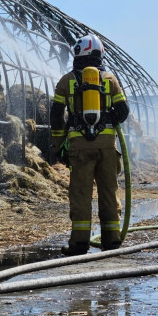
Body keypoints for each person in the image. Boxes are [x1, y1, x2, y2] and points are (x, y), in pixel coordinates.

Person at [50, 34, 130, 256]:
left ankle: (79, 244)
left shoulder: (66, 81)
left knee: (81, 194)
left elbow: (56, 115)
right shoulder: (110, 79)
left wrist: (58, 145)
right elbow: (123, 111)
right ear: (99, 53)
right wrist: (109, 120)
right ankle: (112, 241)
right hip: (107, 147)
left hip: (79, 147)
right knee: (108, 192)